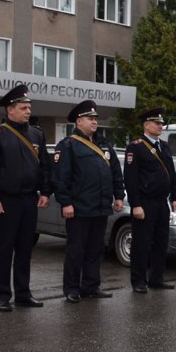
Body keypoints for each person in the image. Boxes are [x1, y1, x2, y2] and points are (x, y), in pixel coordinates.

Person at [0, 84, 52, 311]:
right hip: (6, 200)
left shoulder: (36, 134)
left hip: (29, 200)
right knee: (3, 249)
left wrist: (45, 191)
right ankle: (1, 295)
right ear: (10, 110)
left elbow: (44, 166)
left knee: (25, 248)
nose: (28, 112)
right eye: (23, 108)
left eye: (29, 108)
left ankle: (23, 293)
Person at [51, 100, 124, 303]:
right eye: (90, 119)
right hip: (79, 208)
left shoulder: (104, 144)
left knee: (95, 249)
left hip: (100, 207)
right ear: (78, 121)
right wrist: (65, 203)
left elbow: (116, 173)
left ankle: (91, 286)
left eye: (95, 119)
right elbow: (60, 178)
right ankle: (72, 289)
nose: (94, 122)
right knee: (76, 250)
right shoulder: (68, 146)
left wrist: (119, 196)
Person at [123, 108, 176, 293]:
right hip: (145, 202)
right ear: (146, 125)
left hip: (161, 202)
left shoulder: (164, 145)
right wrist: (136, 204)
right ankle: (138, 281)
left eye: (161, 123)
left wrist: (175, 196)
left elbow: (171, 172)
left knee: (160, 241)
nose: (160, 126)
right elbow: (130, 178)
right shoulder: (136, 147)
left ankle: (157, 278)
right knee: (141, 243)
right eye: (157, 123)